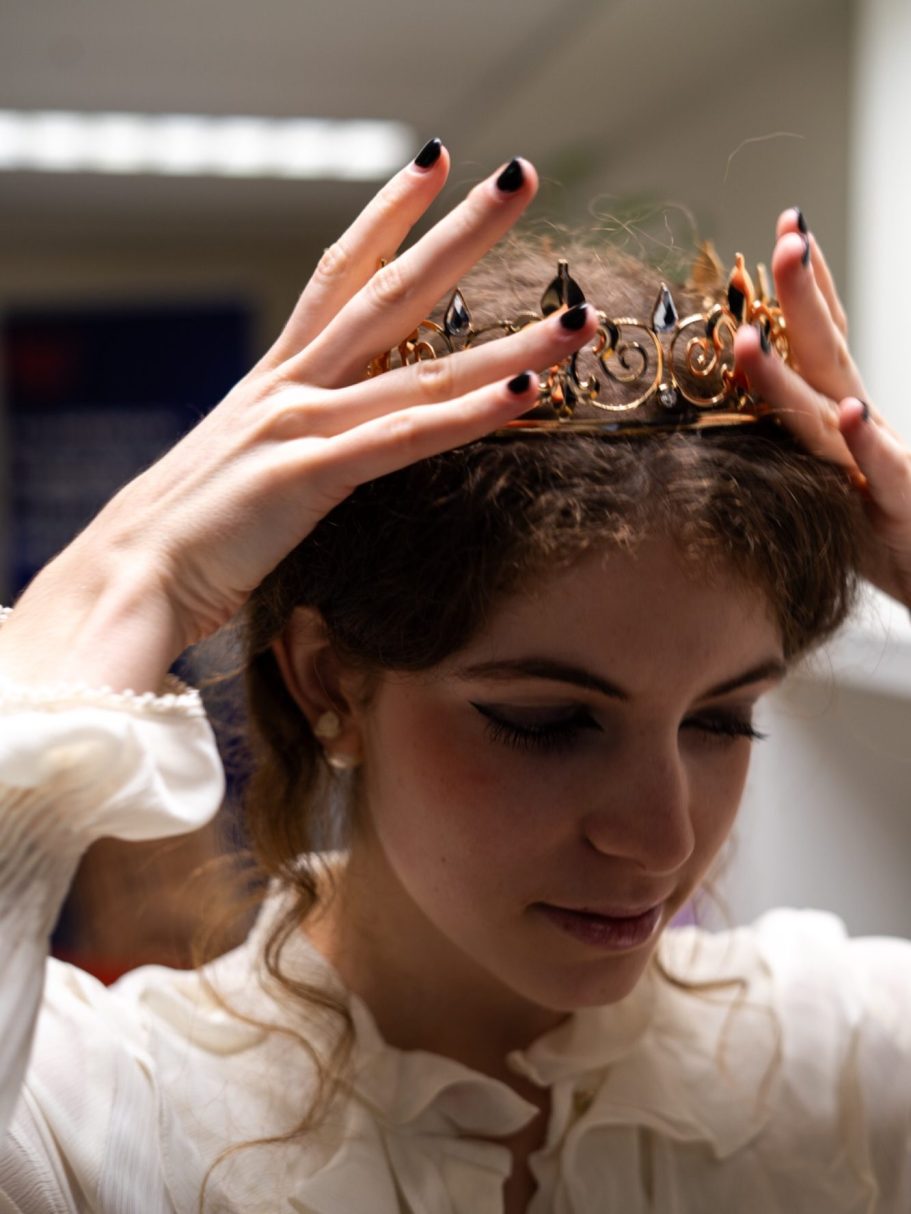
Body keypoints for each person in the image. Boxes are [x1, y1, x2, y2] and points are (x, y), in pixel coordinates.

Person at [1, 139, 910, 1213]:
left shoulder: (834, 1071)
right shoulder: (102, 1116)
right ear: (328, 683)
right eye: (548, 719)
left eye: (721, 719)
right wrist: (118, 586)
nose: (662, 841)